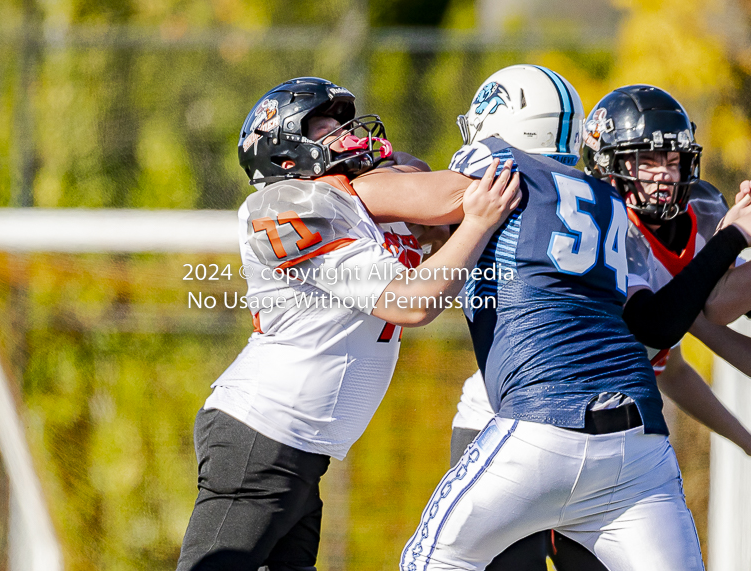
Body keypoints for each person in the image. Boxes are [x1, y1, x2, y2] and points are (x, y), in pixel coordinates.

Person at [350, 64, 751, 571]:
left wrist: (341, 180)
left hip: (536, 418)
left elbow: (397, 202)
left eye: (671, 160)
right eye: (646, 158)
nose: (661, 174)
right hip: (637, 438)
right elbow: (675, 335)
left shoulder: (499, 166)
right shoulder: (607, 201)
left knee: (433, 561)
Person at [175, 77, 521, 571]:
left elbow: (440, 243)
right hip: (260, 435)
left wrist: (450, 229)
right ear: (284, 155)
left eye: (341, 121)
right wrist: (478, 222)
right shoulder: (285, 204)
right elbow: (413, 304)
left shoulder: (356, 201)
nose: (344, 133)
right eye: (324, 126)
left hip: (299, 449)